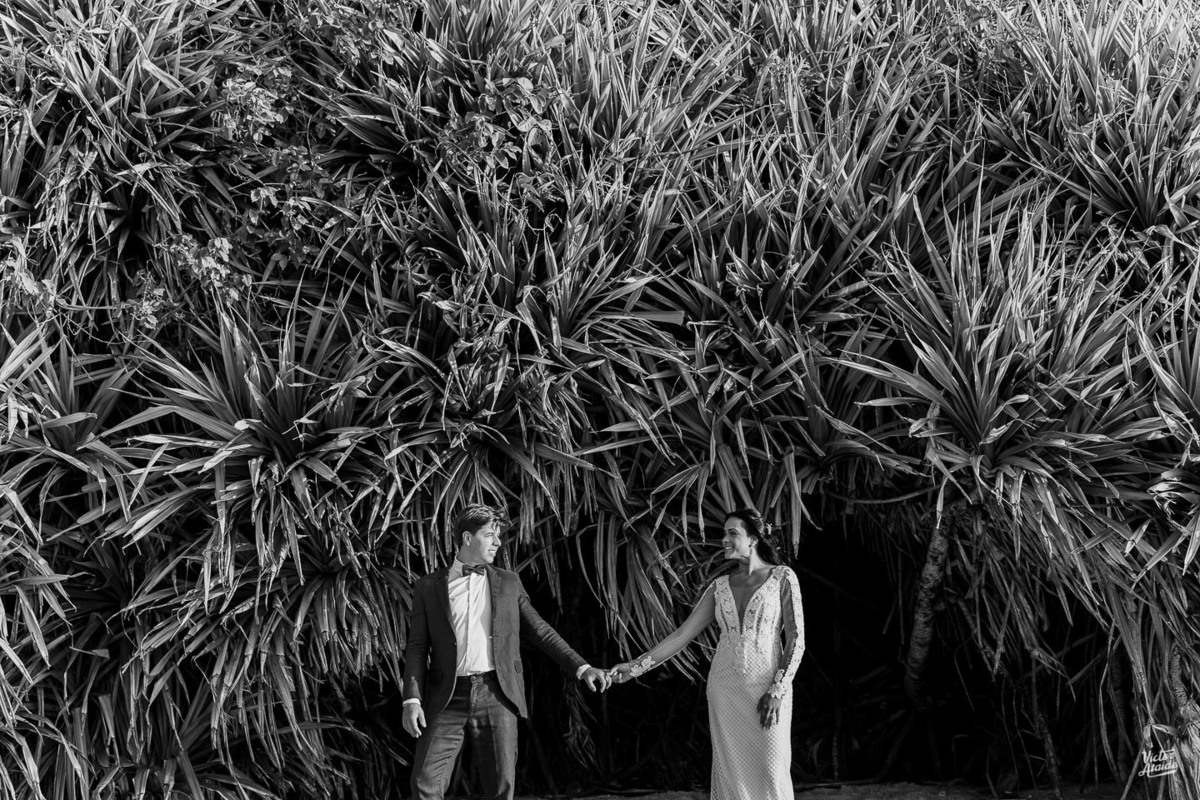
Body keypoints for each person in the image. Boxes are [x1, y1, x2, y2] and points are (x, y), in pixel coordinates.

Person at [401, 503, 612, 800]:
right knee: (424, 782)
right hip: (446, 696)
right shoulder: (428, 587)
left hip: (497, 693)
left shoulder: (509, 583)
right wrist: (411, 700)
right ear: (467, 538)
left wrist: (582, 667)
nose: (498, 542)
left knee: (501, 788)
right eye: (490, 535)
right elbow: (417, 647)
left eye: (497, 535)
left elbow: (540, 631)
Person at [611, 508, 804, 800]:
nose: (724, 539)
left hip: (768, 687)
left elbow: (796, 639)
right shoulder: (720, 586)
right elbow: (681, 635)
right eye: (723, 533)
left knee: (772, 771)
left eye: (732, 533)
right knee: (732, 775)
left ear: (753, 539)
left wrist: (778, 689)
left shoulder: (782, 577)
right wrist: (635, 667)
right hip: (724, 690)